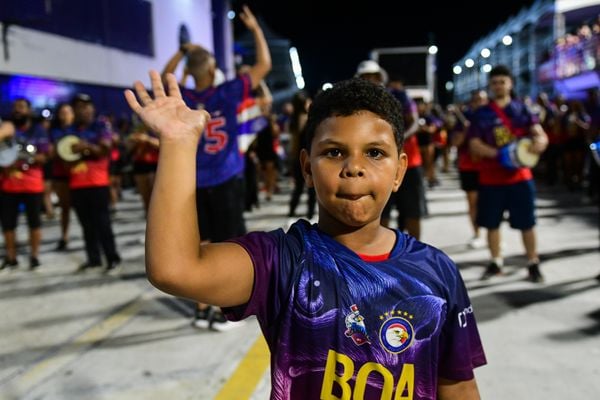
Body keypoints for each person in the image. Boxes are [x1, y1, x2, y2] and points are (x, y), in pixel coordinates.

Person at [125, 73, 486, 399]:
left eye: (375, 153)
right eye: (334, 152)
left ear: (399, 171)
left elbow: (457, 386)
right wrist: (178, 143)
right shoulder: (281, 261)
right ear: (306, 168)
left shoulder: (437, 271)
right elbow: (174, 268)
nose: (354, 168)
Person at [161, 4, 271, 329]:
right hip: (224, 178)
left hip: (197, 181)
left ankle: (201, 306)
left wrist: (182, 51)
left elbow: (167, 76)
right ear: (212, 69)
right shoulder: (227, 91)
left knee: (202, 244)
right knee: (233, 246)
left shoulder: (185, 96)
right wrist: (255, 29)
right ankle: (231, 307)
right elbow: (264, 64)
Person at [467, 65, 548, 282]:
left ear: (510, 83)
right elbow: (474, 144)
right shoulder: (481, 114)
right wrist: (501, 154)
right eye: (494, 82)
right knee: (492, 223)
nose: (498, 86)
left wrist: (539, 144)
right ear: (490, 86)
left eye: (502, 81)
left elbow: (539, 135)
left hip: (520, 178)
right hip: (491, 178)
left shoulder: (522, 109)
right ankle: (496, 262)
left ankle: (533, 262)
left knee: (527, 223)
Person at [69, 93, 121, 272]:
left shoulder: (101, 125)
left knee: (103, 223)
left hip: (98, 182)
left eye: (85, 105)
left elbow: (105, 149)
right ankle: (93, 258)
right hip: (76, 183)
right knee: (86, 225)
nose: (82, 109)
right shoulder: (71, 129)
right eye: (78, 106)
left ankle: (112, 257)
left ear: (91, 108)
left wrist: (87, 147)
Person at [0, 98, 50, 270]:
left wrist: (22, 158)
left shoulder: (38, 130)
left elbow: (44, 157)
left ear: (29, 110)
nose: (17, 110)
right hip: (8, 185)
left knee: (34, 223)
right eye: (15, 107)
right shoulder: (6, 127)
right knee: (8, 224)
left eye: (21, 107)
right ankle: (11, 257)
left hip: (32, 185)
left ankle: (34, 256)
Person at [48, 102, 76, 251]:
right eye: (62, 112)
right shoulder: (55, 131)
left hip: (79, 174)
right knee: (65, 207)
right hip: (61, 174)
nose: (65, 115)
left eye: (68, 112)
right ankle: (64, 236)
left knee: (82, 208)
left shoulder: (78, 129)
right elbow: (51, 152)